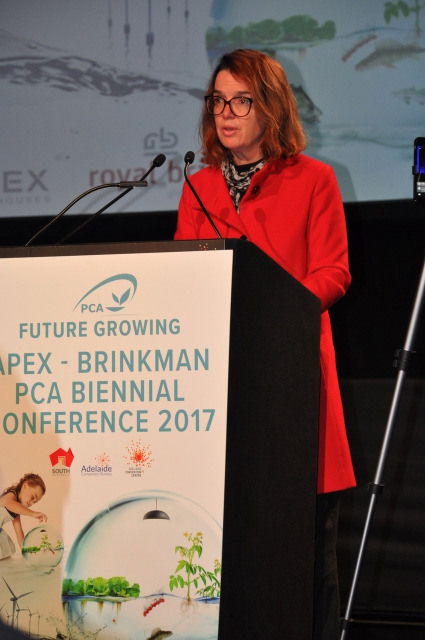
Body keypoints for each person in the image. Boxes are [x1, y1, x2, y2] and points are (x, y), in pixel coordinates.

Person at [174, 48, 356, 639]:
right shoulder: (198, 186)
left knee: (307, 554)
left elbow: (333, 272)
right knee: (231, 547)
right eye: (218, 101)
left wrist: (280, 309)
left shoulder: (314, 179)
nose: (226, 113)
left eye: (241, 101)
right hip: (220, 384)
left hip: (292, 377)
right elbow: (184, 274)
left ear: (270, 107)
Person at [0, 473, 47, 558]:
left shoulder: (16, 510)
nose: (31, 503)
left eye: (35, 502)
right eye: (33, 497)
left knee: (7, 549)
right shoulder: (11, 495)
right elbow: (9, 504)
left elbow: (19, 532)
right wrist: (32, 513)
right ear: (25, 486)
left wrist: (25, 551)